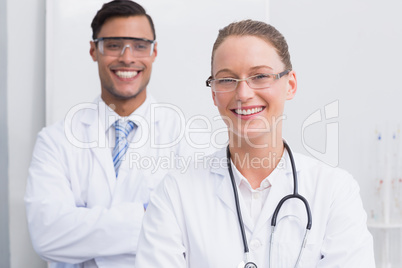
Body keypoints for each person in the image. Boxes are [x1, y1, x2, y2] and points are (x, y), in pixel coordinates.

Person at [134, 20, 375, 268]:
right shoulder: (175, 193)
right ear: (214, 93)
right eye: (227, 80)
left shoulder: (334, 190)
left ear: (290, 84)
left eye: (260, 76)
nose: (244, 93)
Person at [24, 1, 212, 267]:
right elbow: (47, 236)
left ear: (154, 52)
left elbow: (196, 233)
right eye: (113, 45)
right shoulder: (55, 140)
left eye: (139, 45)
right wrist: (151, 215)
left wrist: (83, 228)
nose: (127, 57)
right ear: (94, 50)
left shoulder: (190, 138)